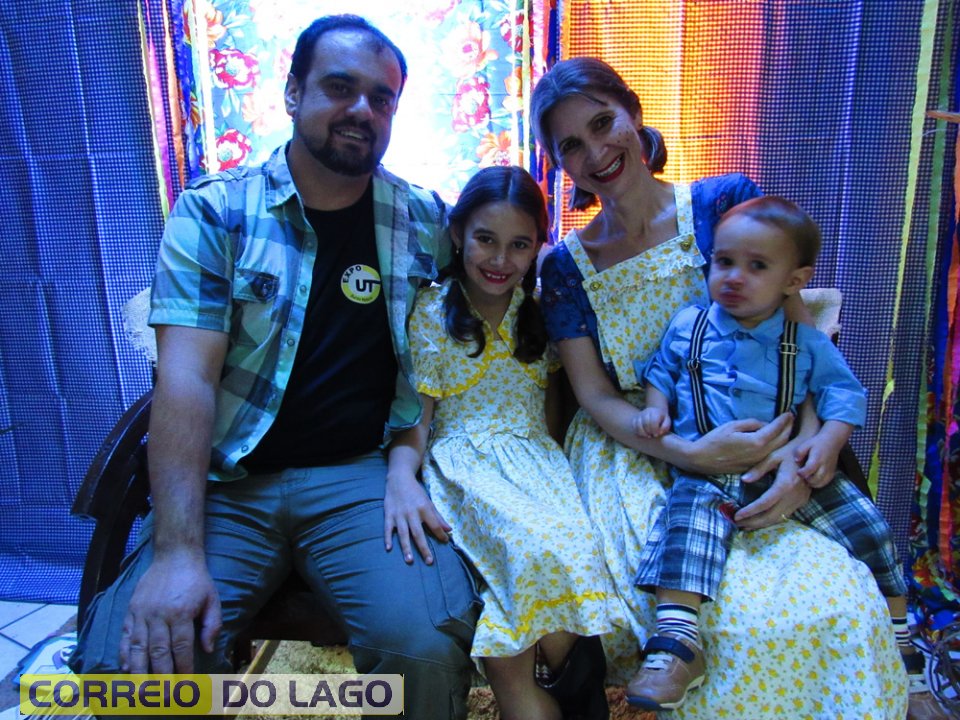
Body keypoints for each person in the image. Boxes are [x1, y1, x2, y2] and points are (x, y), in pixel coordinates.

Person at [69, 15, 481, 719]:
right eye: (339, 87)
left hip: (361, 479)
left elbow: (501, 281)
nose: (362, 110)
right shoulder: (216, 214)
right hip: (231, 483)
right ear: (292, 93)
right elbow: (186, 381)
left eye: (381, 98)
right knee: (131, 666)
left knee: (424, 645)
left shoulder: (422, 219)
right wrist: (176, 554)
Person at [531, 57, 908, 718]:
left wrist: (802, 457)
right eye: (570, 145)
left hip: (766, 431)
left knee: (840, 597)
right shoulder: (565, 267)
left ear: (634, 114)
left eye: (603, 123)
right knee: (726, 618)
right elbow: (594, 397)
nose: (595, 152)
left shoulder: (721, 205)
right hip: (640, 449)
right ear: (558, 164)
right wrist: (690, 454)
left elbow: (799, 344)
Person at [626, 195, 913, 711]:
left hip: (787, 463)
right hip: (707, 467)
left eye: (757, 267)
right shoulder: (689, 325)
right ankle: (675, 645)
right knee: (685, 527)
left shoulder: (805, 341)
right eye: (724, 261)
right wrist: (654, 407)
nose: (734, 277)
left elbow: (843, 394)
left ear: (794, 281)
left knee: (869, 527)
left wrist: (826, 441)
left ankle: (902, 648)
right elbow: (661, 372)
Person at [386, 165, 622, 720]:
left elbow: (553, 413)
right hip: (464, 465)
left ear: (539, 245)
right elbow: (417, 420)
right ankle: (577, 700)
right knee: (529, 548)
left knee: (573, 547)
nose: (500, 259)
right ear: (458, 234)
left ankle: (571, 692)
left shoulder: (538, 313)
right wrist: (402, 474)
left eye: (519, 244)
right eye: (486, 240)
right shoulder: (432, 312)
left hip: (538, 463)